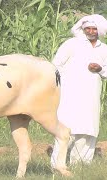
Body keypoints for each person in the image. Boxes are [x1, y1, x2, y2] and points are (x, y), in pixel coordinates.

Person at [50, 14, 107, 167]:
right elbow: (55, 65)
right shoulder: (72, 44)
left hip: (92, 95)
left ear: (99, 30)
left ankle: (81, 165)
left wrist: (100, 69)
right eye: (87, 28)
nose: (90, 31)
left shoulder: (104, 49)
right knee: (67, 128)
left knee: (88, 129)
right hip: (70, 94)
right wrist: (69, 78)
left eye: (94, 28)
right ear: (82, 29)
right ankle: (58, 165)